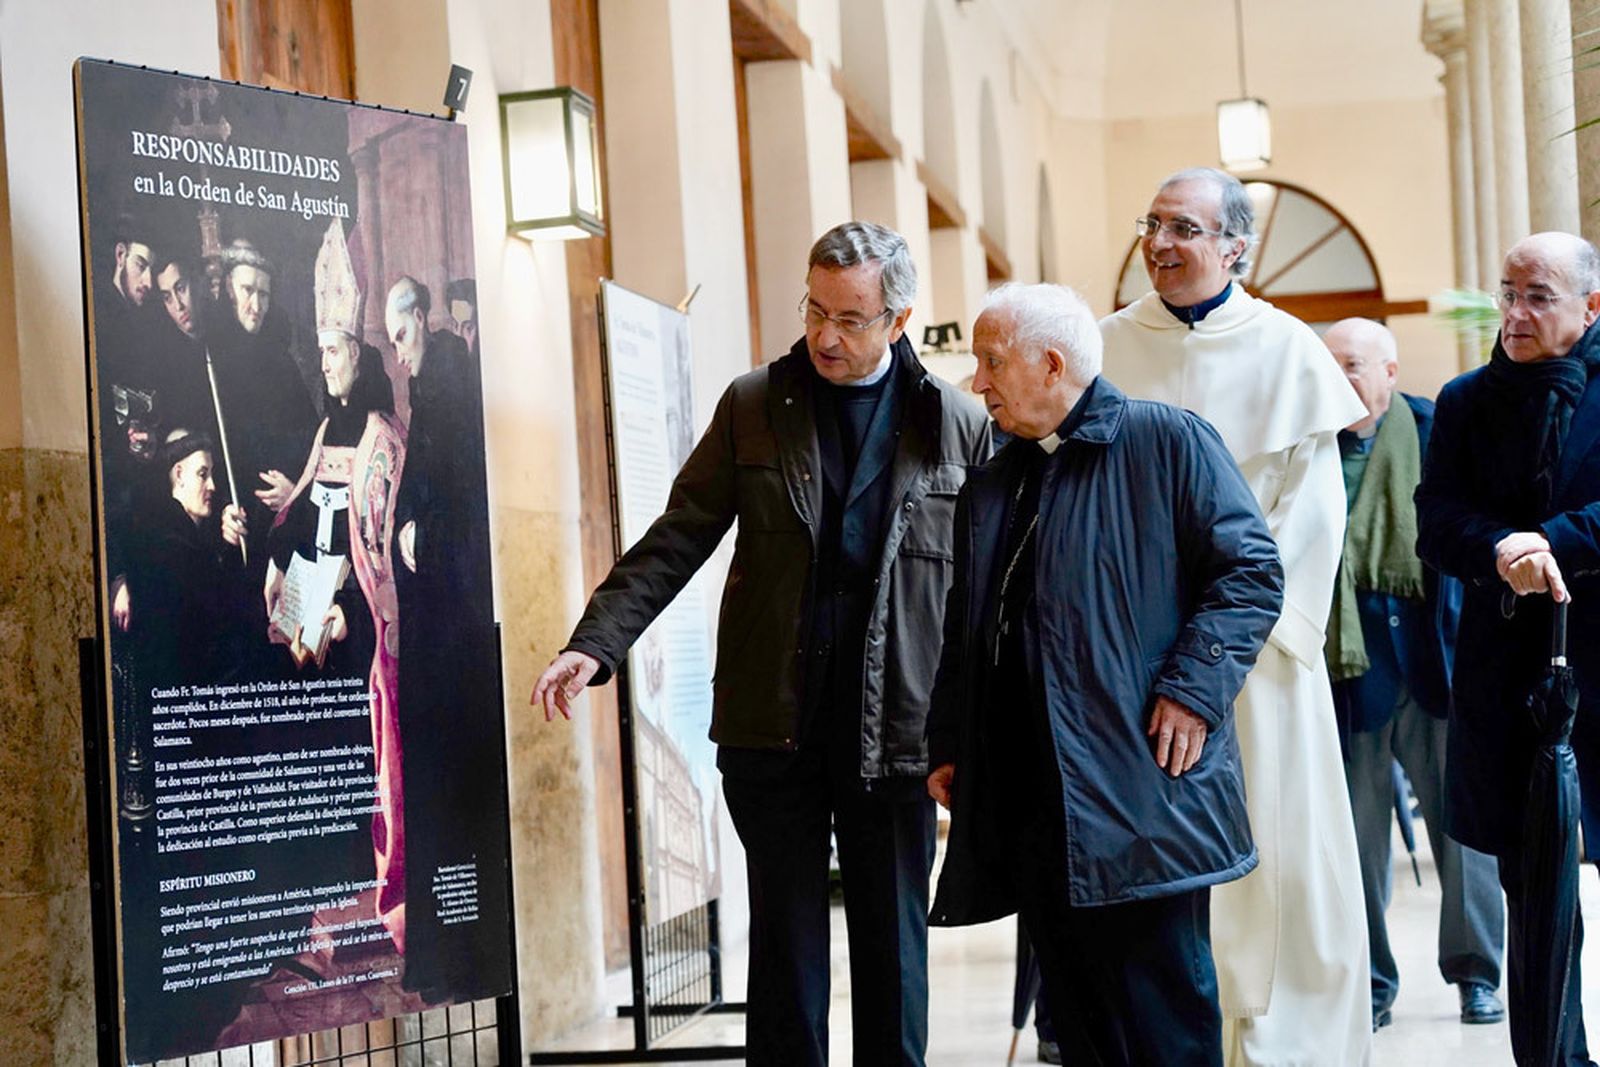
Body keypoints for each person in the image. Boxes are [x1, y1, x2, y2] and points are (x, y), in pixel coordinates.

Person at [532, 221, 991, 1066]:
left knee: (894, 953)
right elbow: (678, 536)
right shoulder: (756, 404)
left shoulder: (954, 423)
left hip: (898, 734)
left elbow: (984, 595)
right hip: (773, 728)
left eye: (851, 319)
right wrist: (596, 642)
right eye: (815, 308)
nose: (824, 334)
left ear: (899, 319)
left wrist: (970, 731)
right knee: (783, 952)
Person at [926, 283, 1282, 1065]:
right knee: (1078, 1020)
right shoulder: (994, 477)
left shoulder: (1167, 441)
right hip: (1035, 795)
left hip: (1141, 784)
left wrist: (1194, 690)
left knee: (1162, 1016)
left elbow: (1250, 572)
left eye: (990, 363)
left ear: (1050, 363)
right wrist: (952, 739)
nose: (977, 383)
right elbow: (968, 624)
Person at [1101, 166, 1372, 1065]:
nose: (1162, 242)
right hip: (1134, 654)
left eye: (1184, 226)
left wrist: (1243, 639)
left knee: (1277, 847)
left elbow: (1312, 515)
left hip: (1254, 658)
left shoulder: (1291, 350)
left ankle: (1284, 1036)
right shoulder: (1103, 348)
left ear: (1234, 247)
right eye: (1153, 223)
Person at [1416, 231, 1600, 1066]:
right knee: (1532, 891)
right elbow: (1437, 520)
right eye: (1507, 293)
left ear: (1590, 307)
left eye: (1538, 296)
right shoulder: (1464, 400)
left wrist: (1548, 540)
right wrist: (1499, 551)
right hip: (1512, 681)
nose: (1515, 313)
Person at [1322, 317, 1506, 1030]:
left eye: (1354, 364)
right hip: (1350, 668)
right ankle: (1371, 983)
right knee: (1356, 844)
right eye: (1329, 364)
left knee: (1465, 834)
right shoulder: (1307, 449)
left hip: (1434, 665)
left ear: (1391, 371)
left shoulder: (1435, 434)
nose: (1340, 377)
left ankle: (1476, 975)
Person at [269, 221, 407, 952]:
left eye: (332, 350)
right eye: (319, 350)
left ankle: (356, 909)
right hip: (307, 608)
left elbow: (378, 550)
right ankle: (308, 902)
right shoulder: (327, 430)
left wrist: (348, 609)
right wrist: (276, 560)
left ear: (358, 351)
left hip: (353, 630)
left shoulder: (382, 435)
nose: (324, 363)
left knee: (352, 757)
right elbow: (299, 514)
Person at [385, 274, 504, 1000]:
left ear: (420, 319)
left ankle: (453, 958)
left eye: (401, 336)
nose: (398, 354)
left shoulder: (450, 382)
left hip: (451, 633)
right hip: (442, 628)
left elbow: (452, 493)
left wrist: (417, 522)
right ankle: (445, 957)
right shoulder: (435, 385)